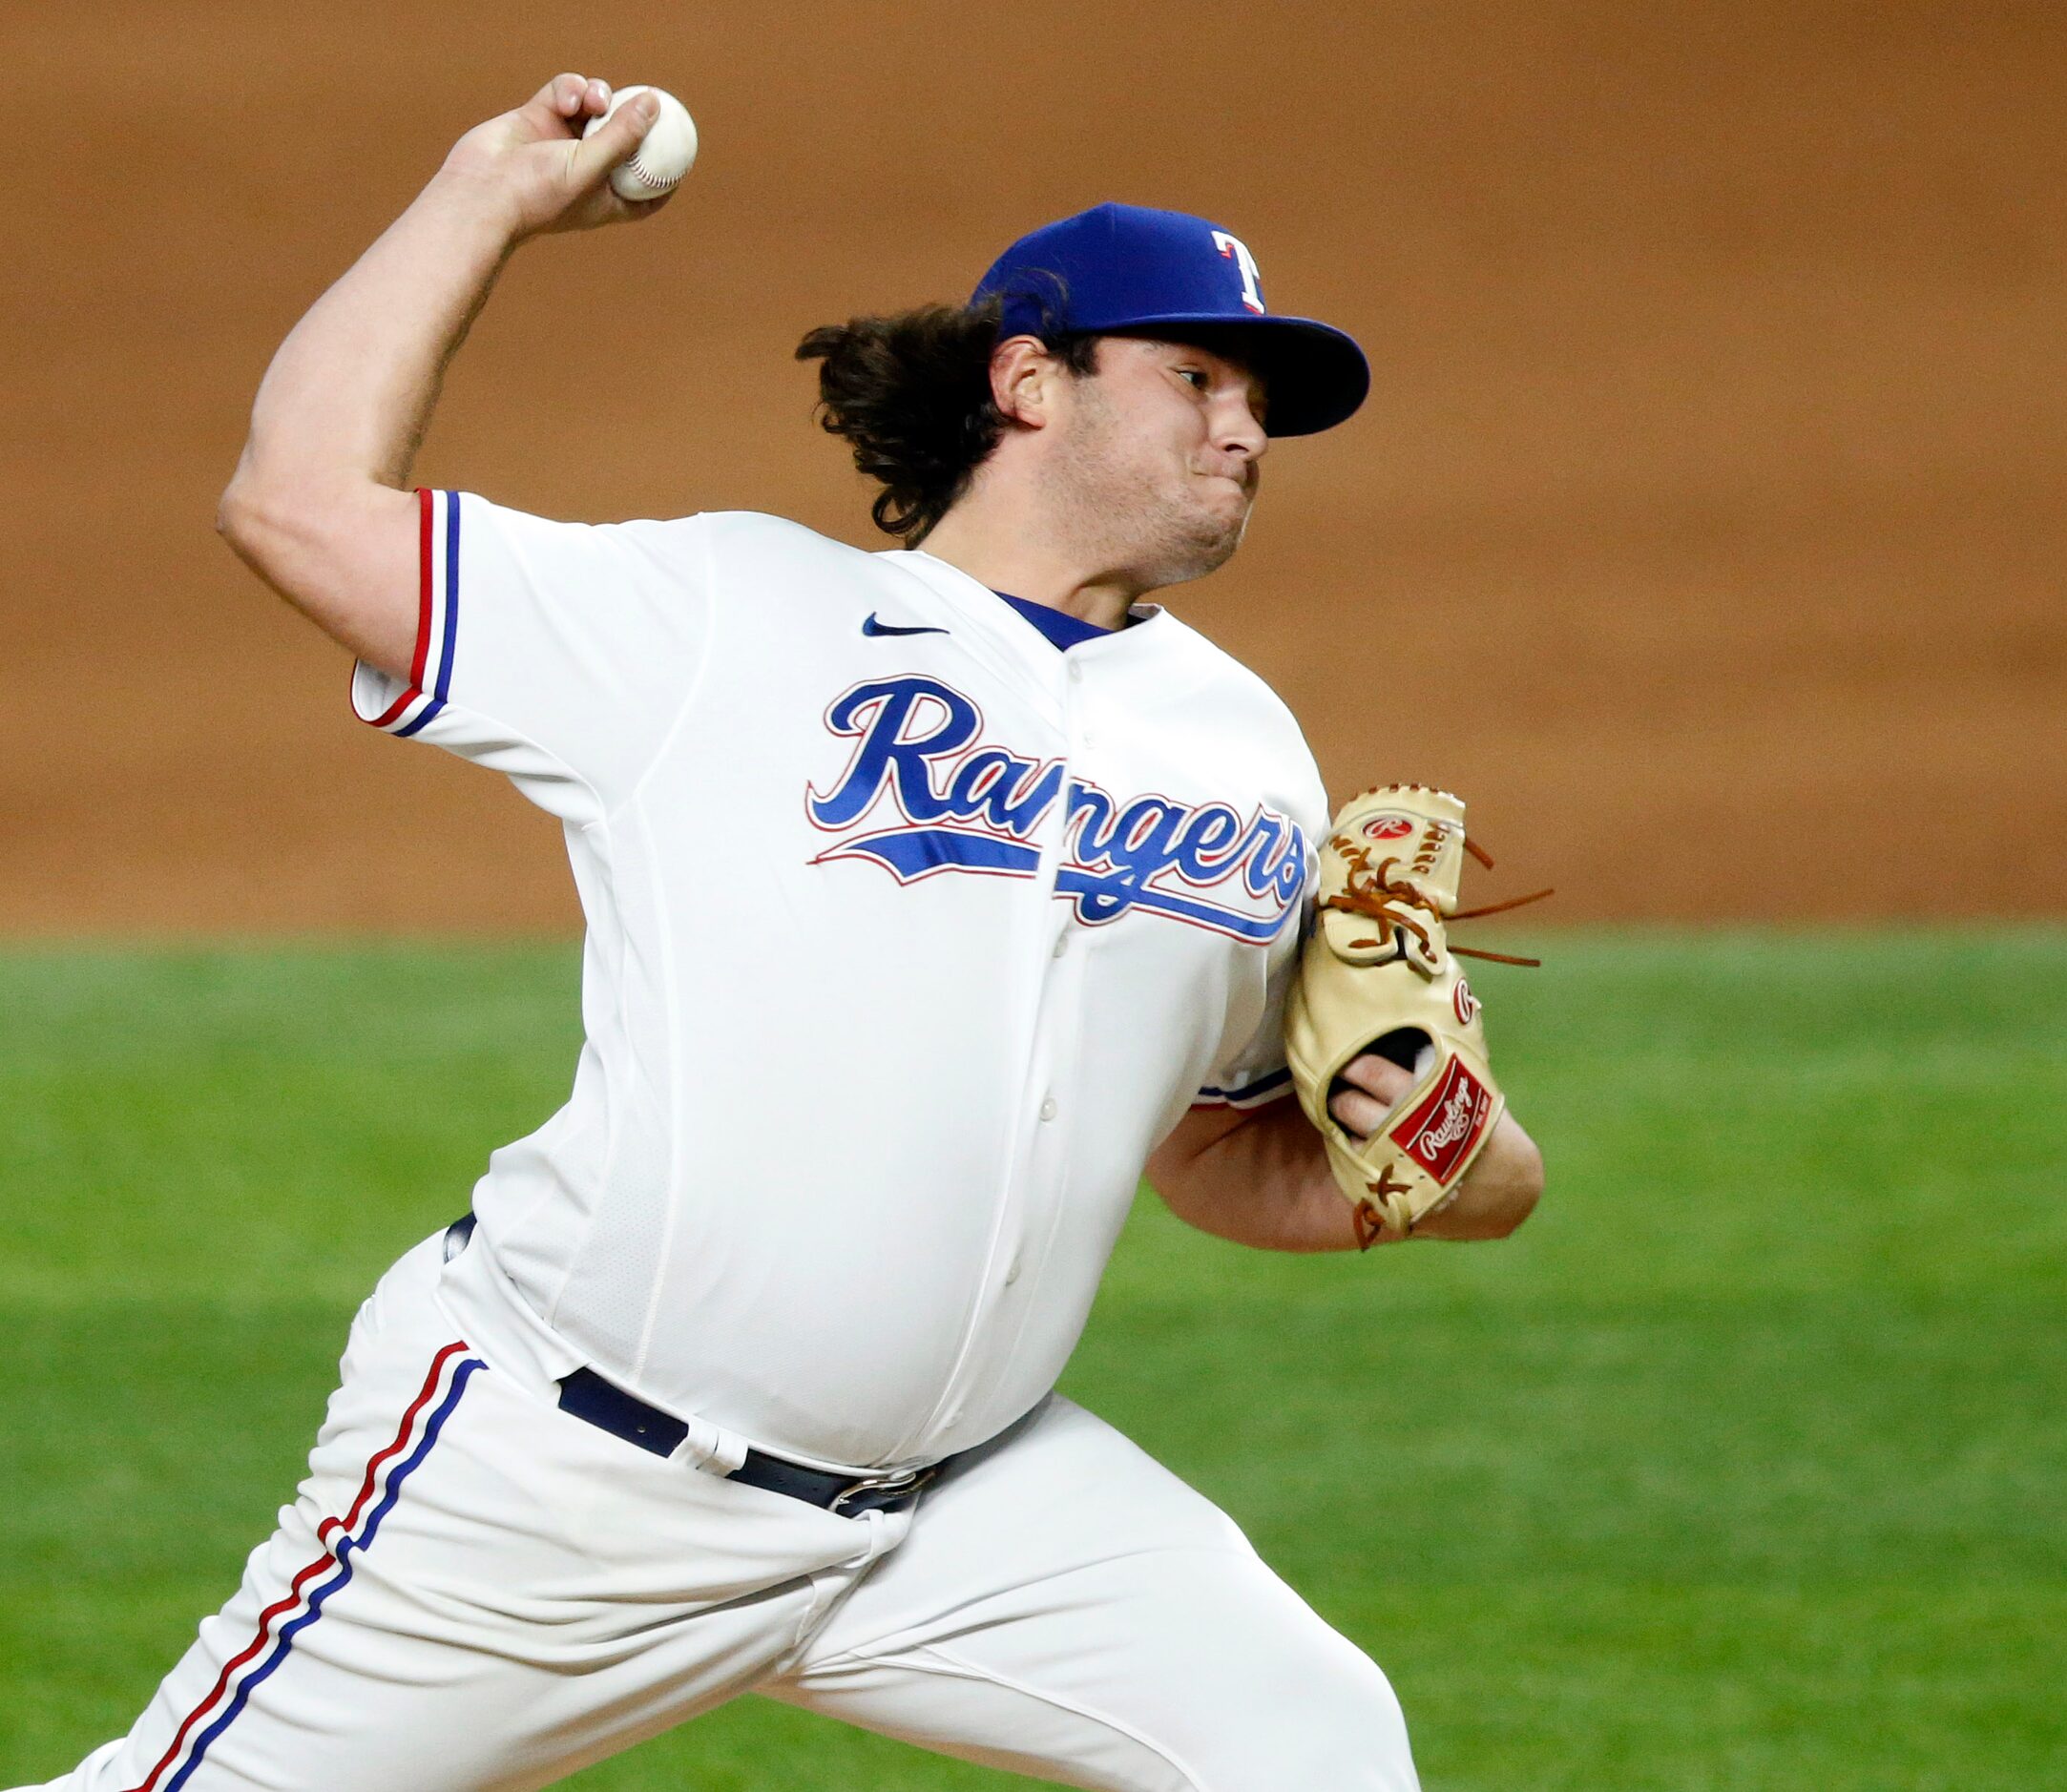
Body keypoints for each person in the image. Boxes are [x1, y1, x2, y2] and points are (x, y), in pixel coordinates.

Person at [25, 73, 1542, 1792]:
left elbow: (1212, 1154)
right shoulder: (728, 613)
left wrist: (1422, 1124)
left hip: (961, 1511)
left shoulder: (1245, 746)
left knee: (1312, 1739)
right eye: (1195, 377)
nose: (1243, 430)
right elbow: (296, 505)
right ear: (1027, 379)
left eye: (1258, 398)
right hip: (570, 1483)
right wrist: (480, 200)